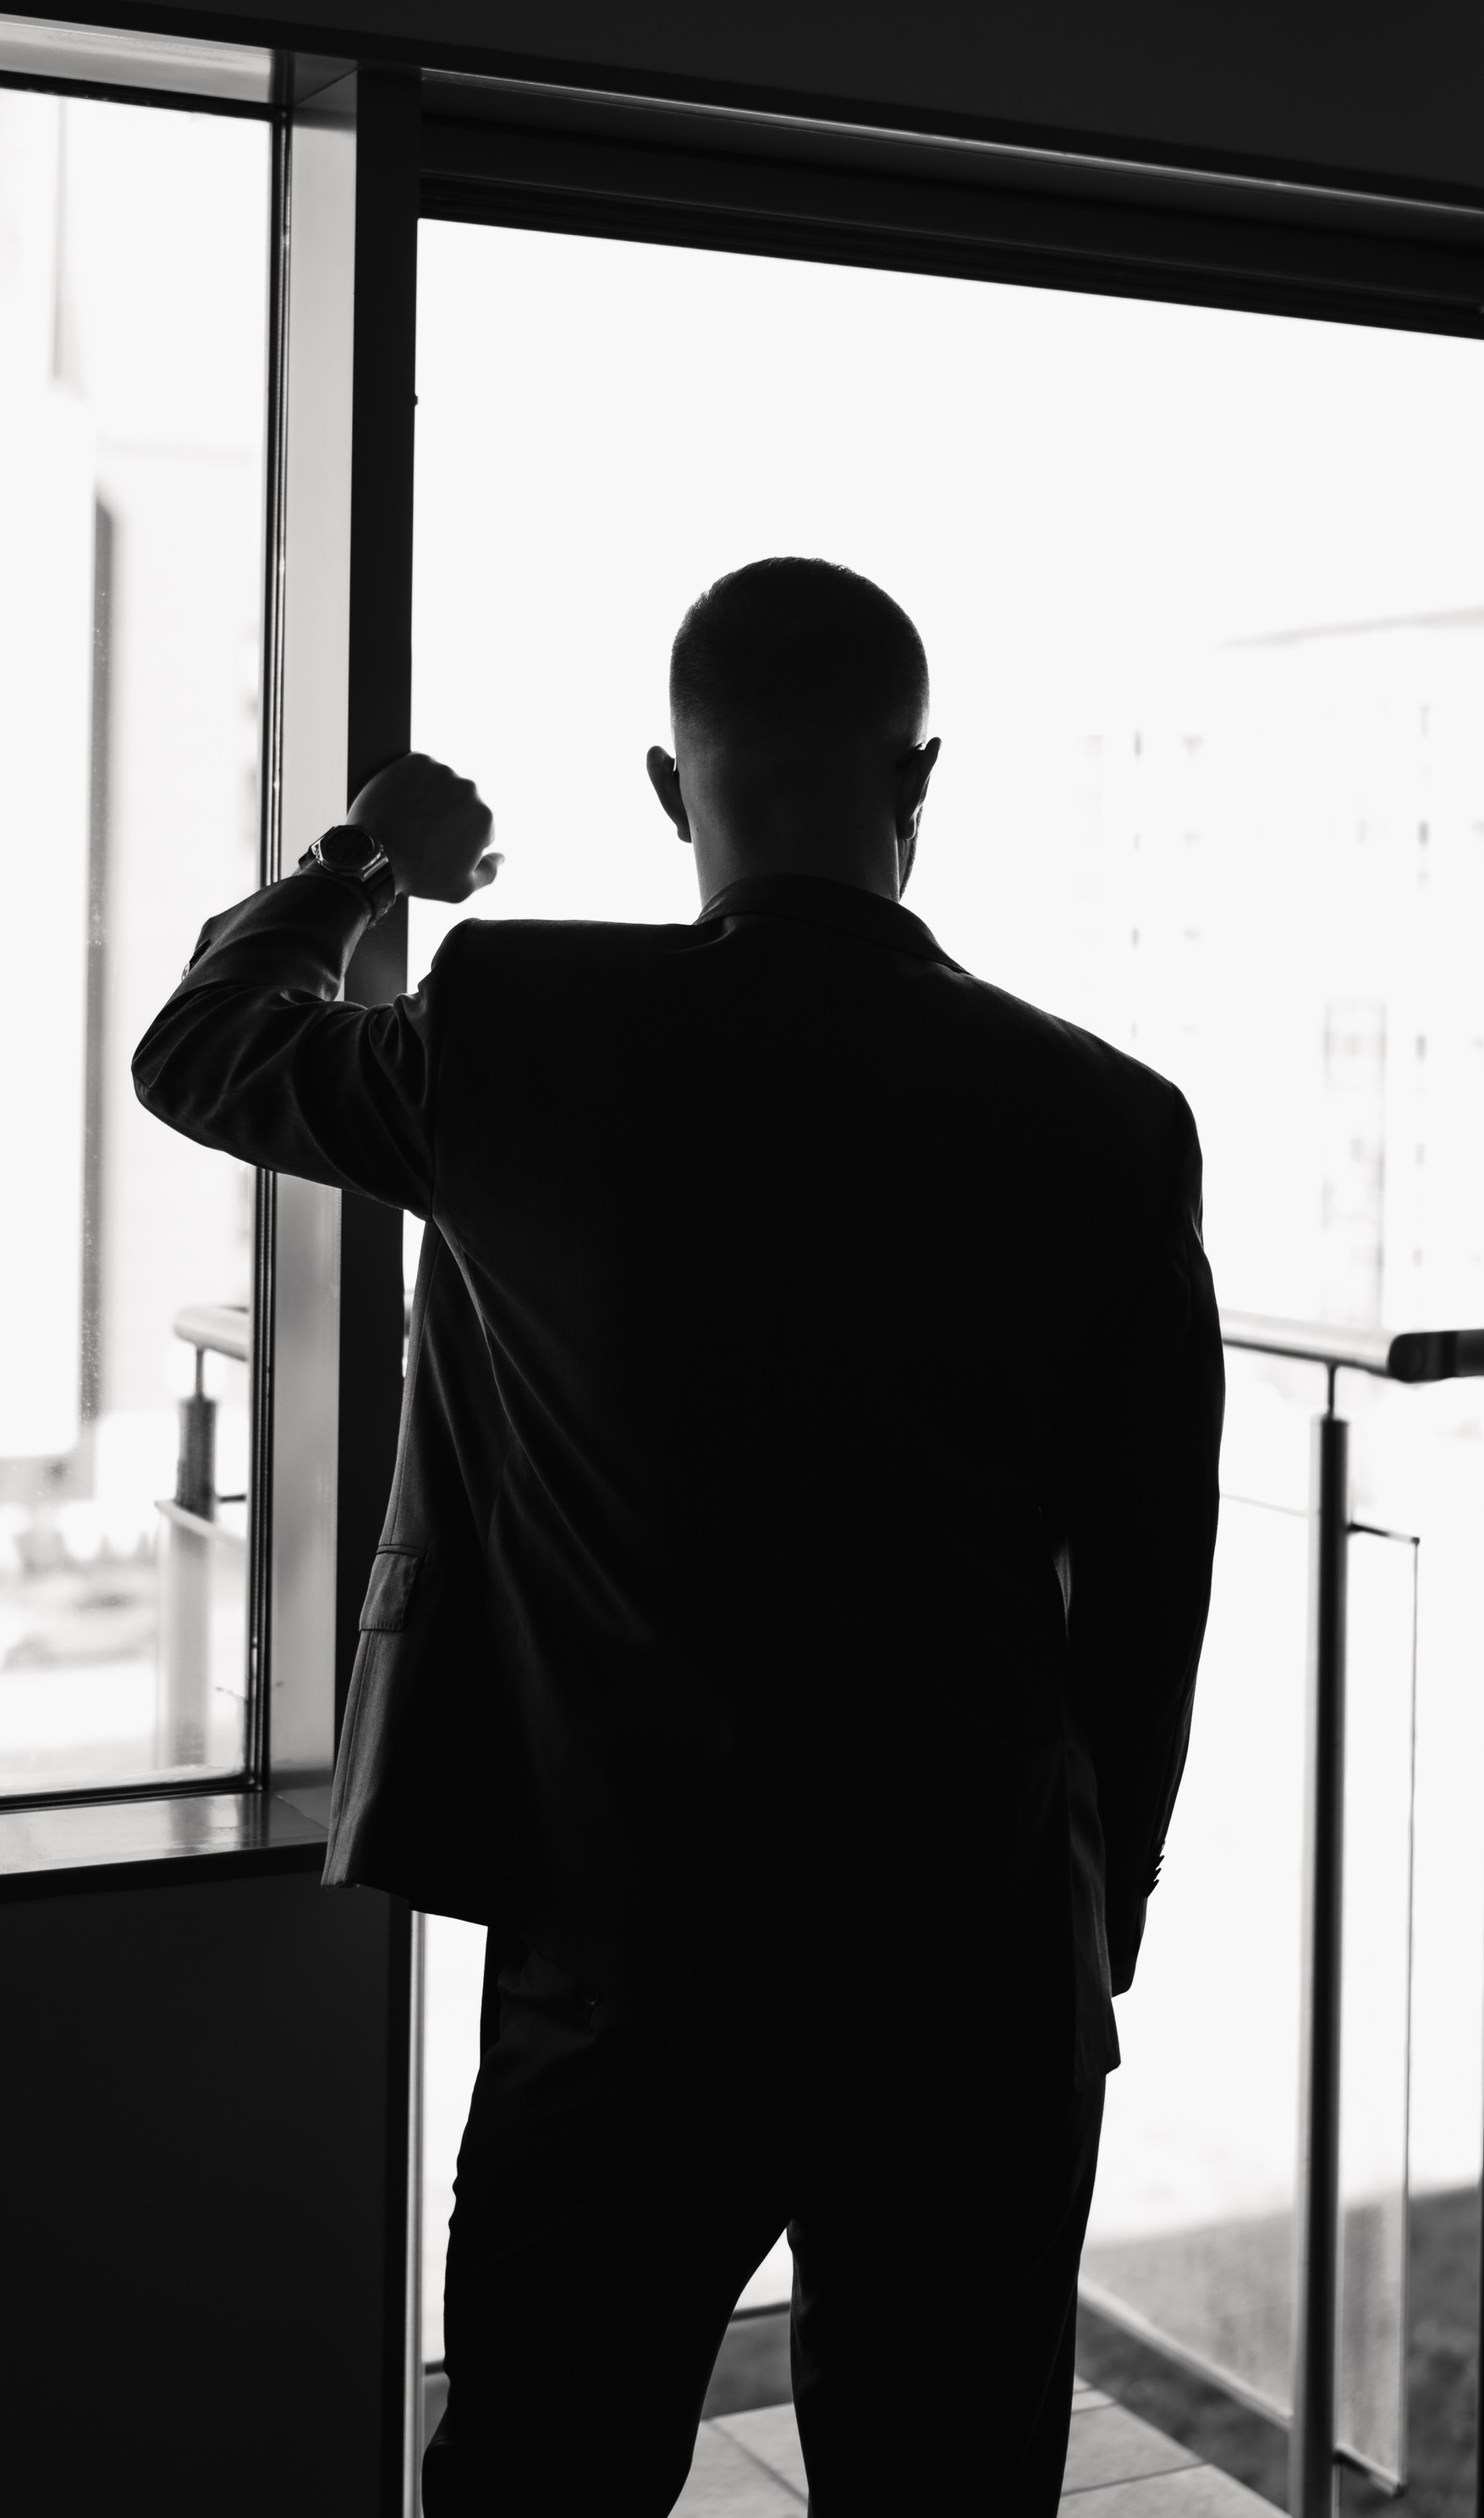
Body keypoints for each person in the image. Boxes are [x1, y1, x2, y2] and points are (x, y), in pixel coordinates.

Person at [133, 555, 1223, 2516]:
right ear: (922, 775)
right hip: (971, 1964)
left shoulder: (522, 1024)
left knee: (547, 2476)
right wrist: (1090, 1918)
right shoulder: (1103, 1119)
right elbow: (1148, 1593)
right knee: (946, 2489)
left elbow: (201, 1050)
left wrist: (363, 861)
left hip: (625, 1954)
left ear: (665, 785)